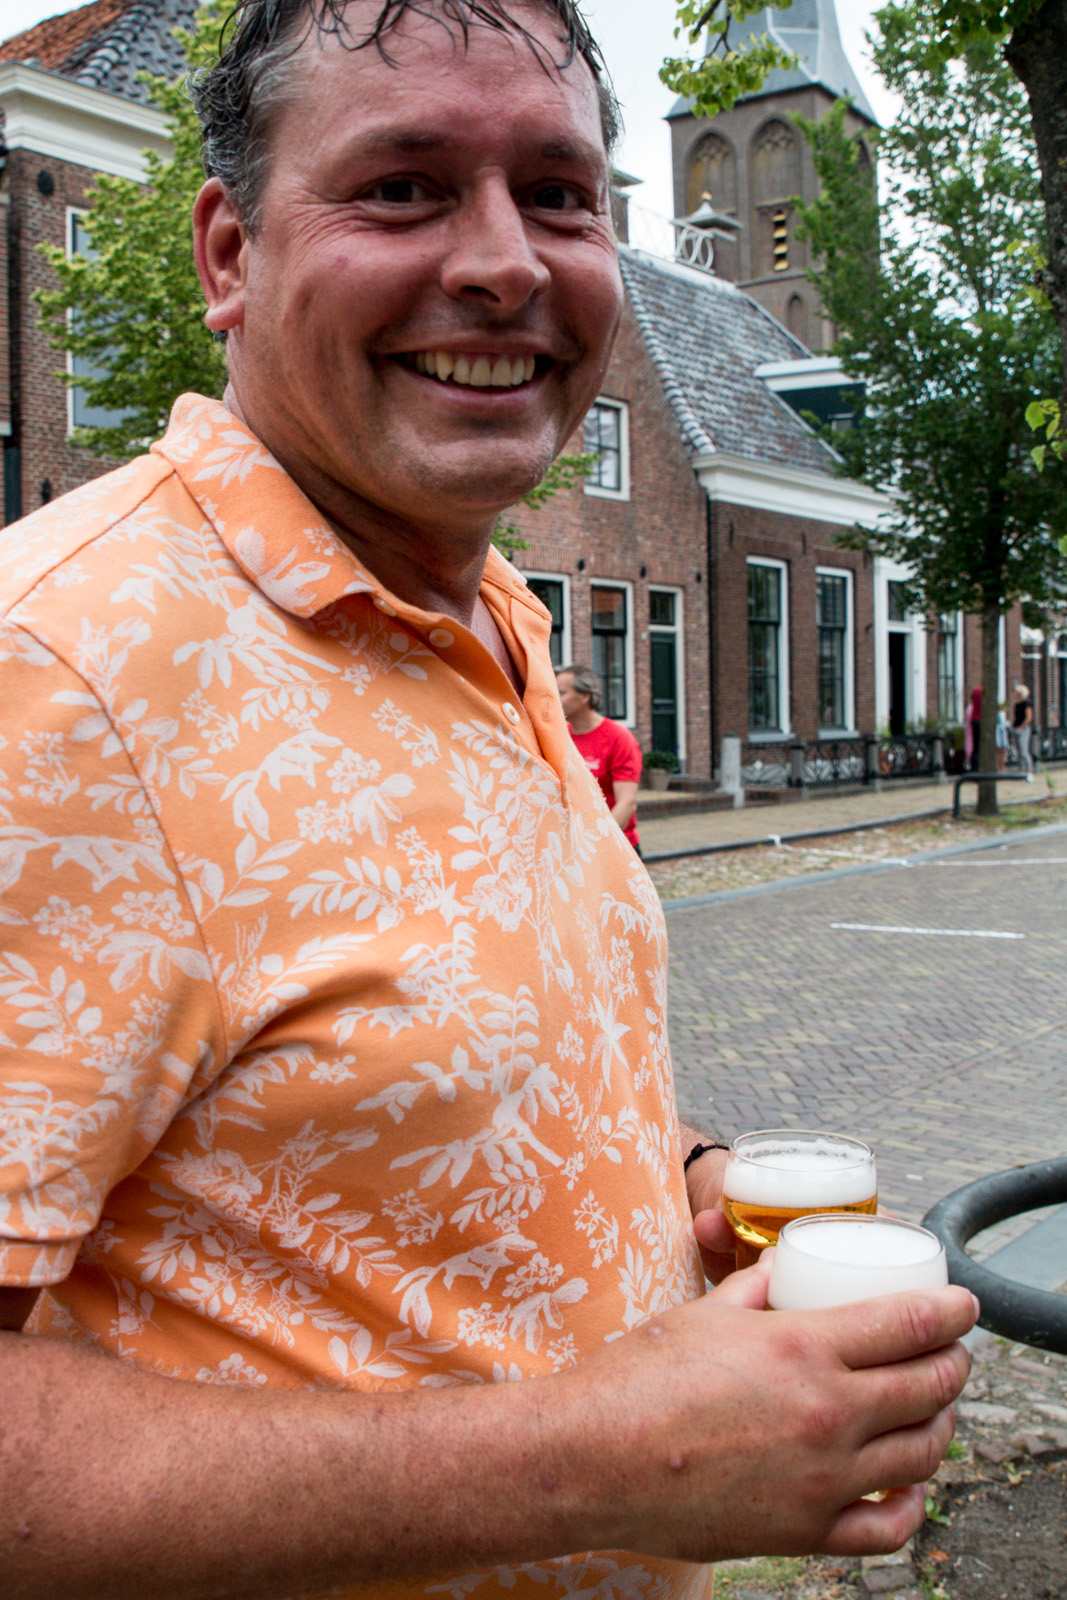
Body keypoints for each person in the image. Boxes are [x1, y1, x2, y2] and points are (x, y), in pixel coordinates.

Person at [0, 3, 976, 1596]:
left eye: (558, 194)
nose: (505, 262)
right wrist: (593, 1462)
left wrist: (682, 1183)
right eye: (401, 188)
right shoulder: (54, 678)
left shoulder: (488, 618)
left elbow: (430, 1067)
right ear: (229, 254)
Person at [556, 663, 642, 850]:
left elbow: (627, 803)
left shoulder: (618, 737)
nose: (554, 698)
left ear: (585, 696)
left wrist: (598, 845)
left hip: (614, 848)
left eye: (561, 693)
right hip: (574, 847)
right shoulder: (560, 737)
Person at [1011, 683, 1034, 779]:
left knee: (1024, 750)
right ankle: (1021, 769)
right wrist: (1012, 726)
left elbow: (1029, 717)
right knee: (1018, 750)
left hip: (1023, 729)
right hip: (1016, 728)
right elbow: (1015, 716)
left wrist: (1022, 727)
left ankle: (1029, 769)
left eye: (1015, 692)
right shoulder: (1016, 705)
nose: (1014, 693)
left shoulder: (1027, 704)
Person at [966, 684, 982, 771]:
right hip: (980, 719)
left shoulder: (975, 690)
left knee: (975, 746)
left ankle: (974, 767)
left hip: (974, 720)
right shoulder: (981, 690)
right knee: (979, 746)